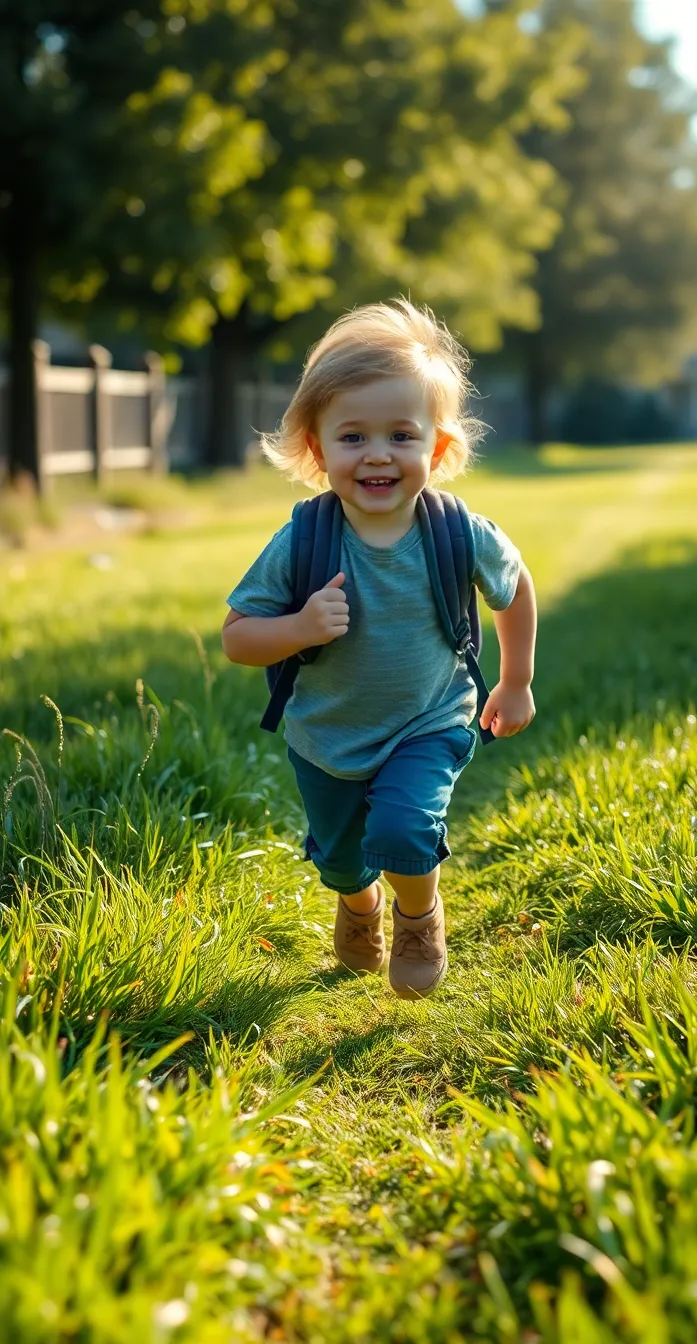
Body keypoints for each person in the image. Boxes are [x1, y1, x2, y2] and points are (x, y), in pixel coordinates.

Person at [222, 299, 537, 999]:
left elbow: (514, 589)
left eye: (401, 435)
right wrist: (300, 626)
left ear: (439, 448)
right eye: (353, 436)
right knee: (341, 859)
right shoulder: (303, 540)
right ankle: (358, 906)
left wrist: (514, 681)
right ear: (317, 449)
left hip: (430, 718)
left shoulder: (460, 532)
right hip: (327, 735)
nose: (377, 455)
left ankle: (420, 917)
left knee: (402, 827)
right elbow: (238, 638)